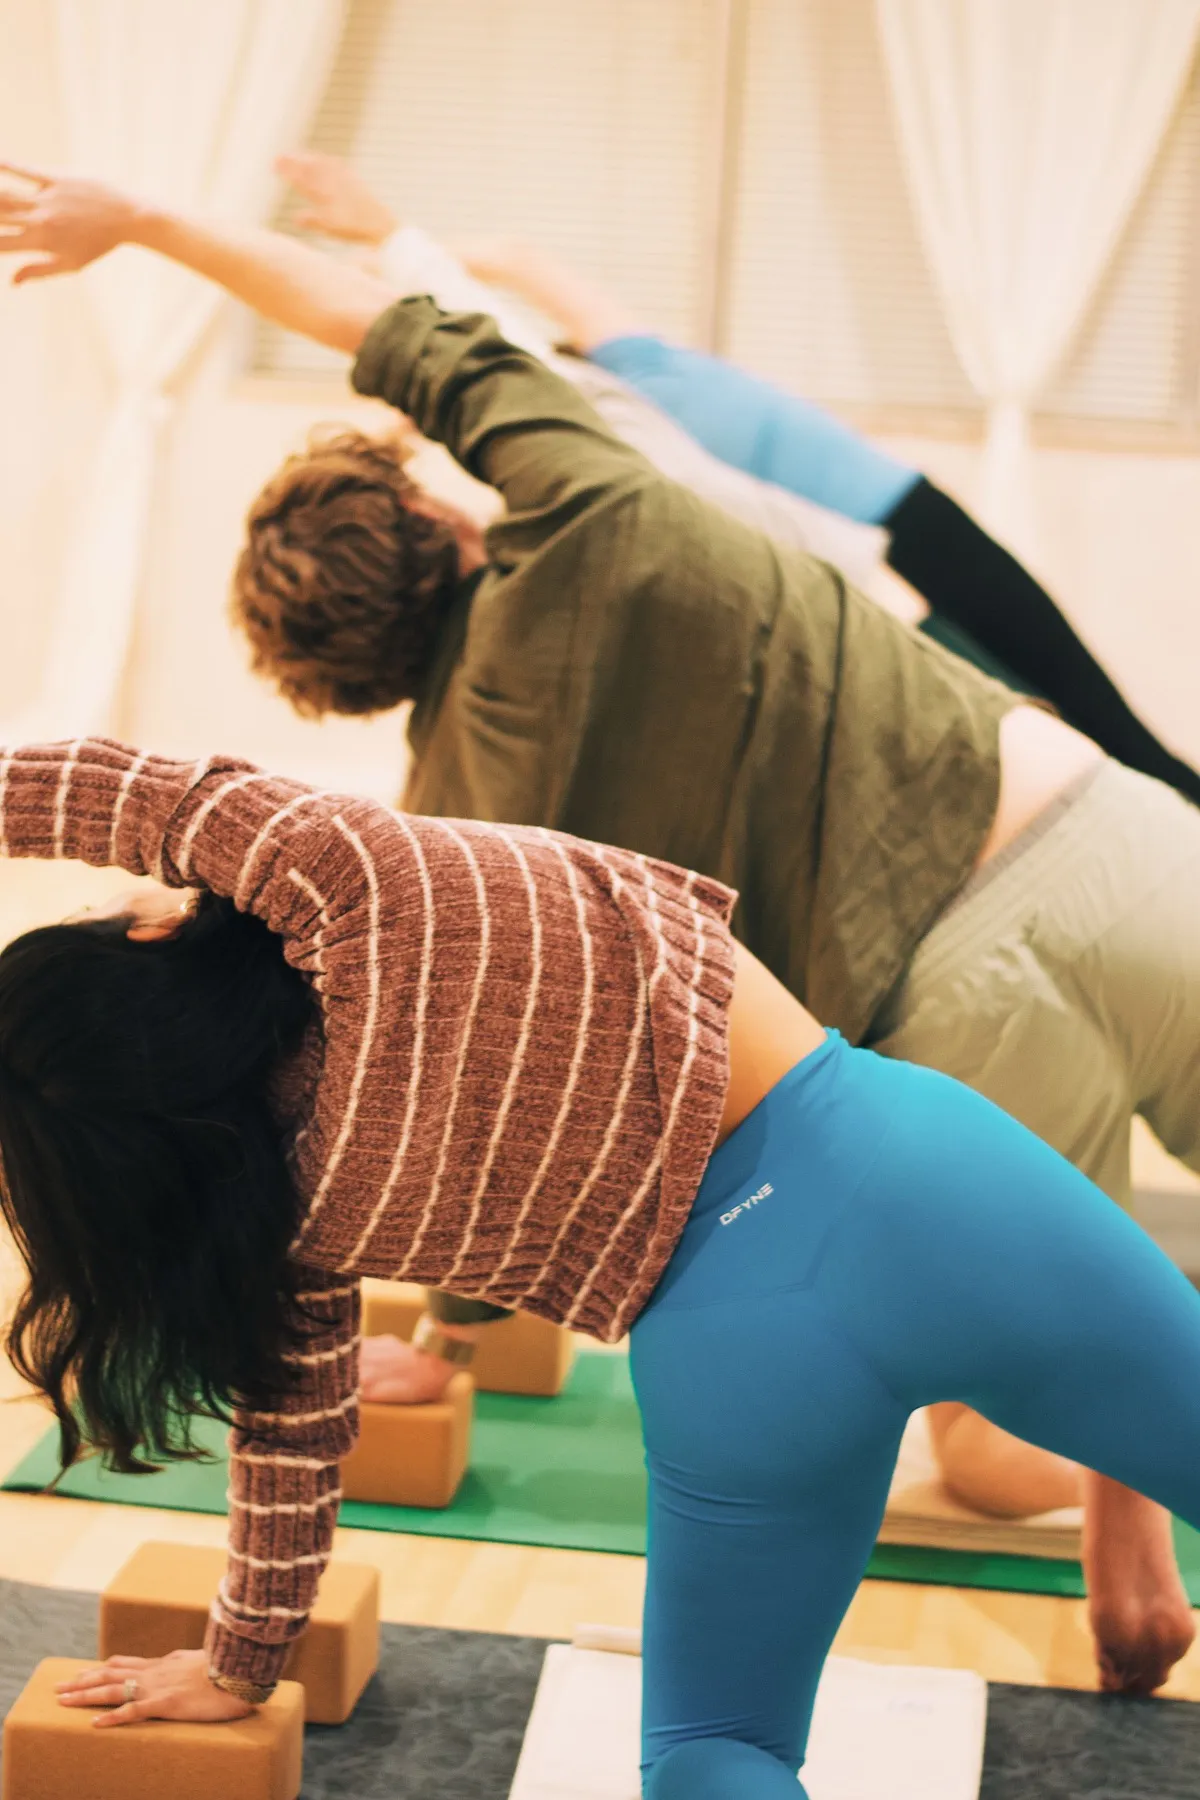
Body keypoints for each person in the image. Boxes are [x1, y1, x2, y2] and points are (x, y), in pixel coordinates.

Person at [4, 162, 1200, 1695]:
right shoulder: (553, 537)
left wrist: (259, 1635)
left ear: (360, 688)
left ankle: (1123, 1498)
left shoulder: (434, 828)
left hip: (936, 1035)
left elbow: (460, 1170)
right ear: (442, 510)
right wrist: (152, 225)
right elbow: (117, 786)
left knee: (976, 1439)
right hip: (1090, 834)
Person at [1, 738, 1200, 1800]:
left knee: (717, 1752)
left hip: (727, 1355)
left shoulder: (274, 1223)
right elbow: (138, 795)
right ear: (154, 933)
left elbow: (292, 1447)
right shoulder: (343, 884)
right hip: (909, 1184)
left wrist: (235, 1664)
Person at [274, 149, 1200, 799]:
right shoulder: (630, 404)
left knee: (1106, 748)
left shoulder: (621, 385)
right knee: (1101, 749)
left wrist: (393, 239)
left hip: (910, 548)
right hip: (897, 553)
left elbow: (510, 281)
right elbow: (517, 277)